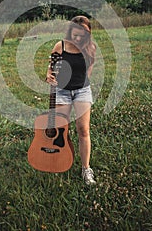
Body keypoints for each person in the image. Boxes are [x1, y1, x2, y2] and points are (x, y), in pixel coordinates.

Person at [46, 16, 96, 185]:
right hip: (62, 91)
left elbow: (89, 69)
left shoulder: (90, 48)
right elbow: (50, 68)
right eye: (75, 35)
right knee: (61, 129)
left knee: (83, 129)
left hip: (82, 91)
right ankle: (60, 160)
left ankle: (86, 168)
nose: (78, 38)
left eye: (82, 35)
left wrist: (81, 83)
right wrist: (49, 76)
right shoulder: (61, 46)